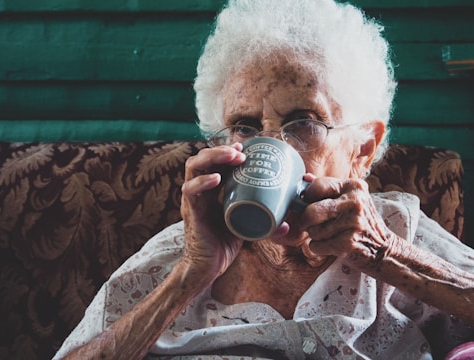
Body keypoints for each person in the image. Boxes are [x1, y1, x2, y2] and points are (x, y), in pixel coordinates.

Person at [54, 0, 474, 358]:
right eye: (245, 127)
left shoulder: (396, 232)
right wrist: (190, 276)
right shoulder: (180, 254)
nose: (274, 146)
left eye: (303, 122)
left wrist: (385, 254)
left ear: (362, 150)